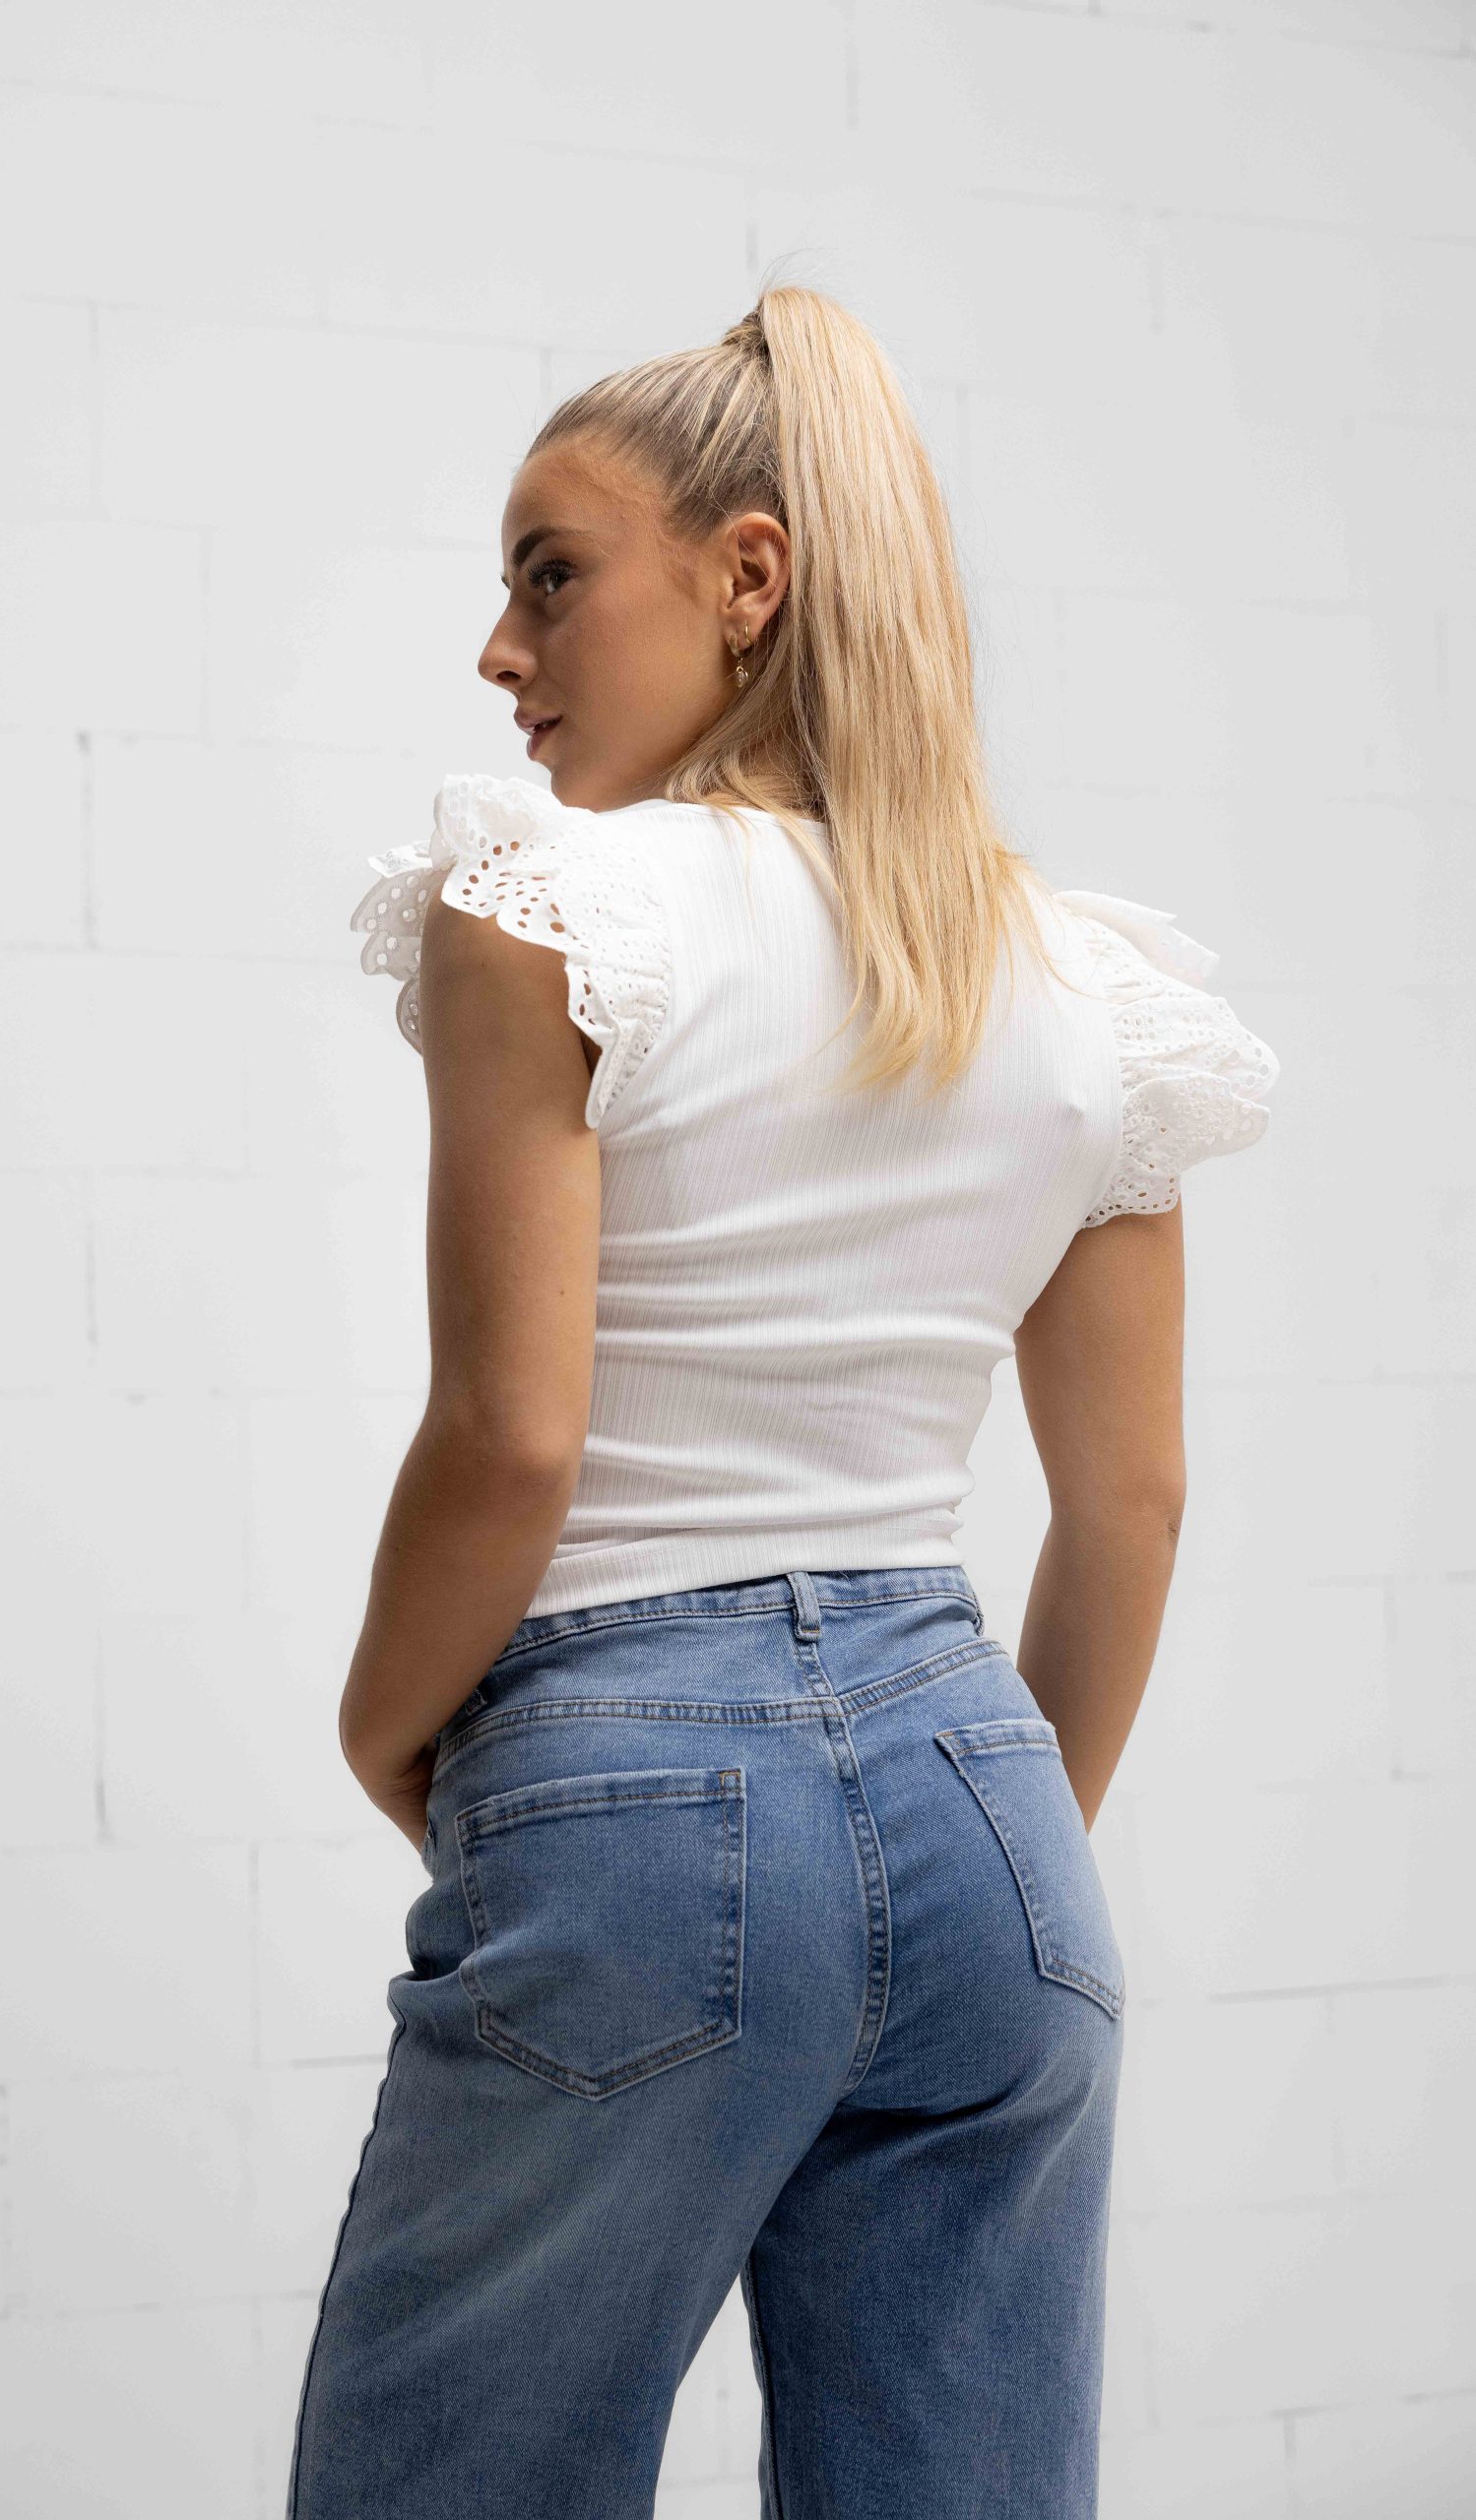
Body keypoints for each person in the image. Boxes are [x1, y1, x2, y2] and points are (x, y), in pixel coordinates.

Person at [287, 284, 1279, 2520]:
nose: (500, 649)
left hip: (628, 1791)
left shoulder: (548, 908)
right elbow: (1127, 1504)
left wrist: (382, 1732)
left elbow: (513, 1436)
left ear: (749, 576)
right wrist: (971, 1852)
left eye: (551, 573)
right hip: (987, 1813)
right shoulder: (1075, 979)